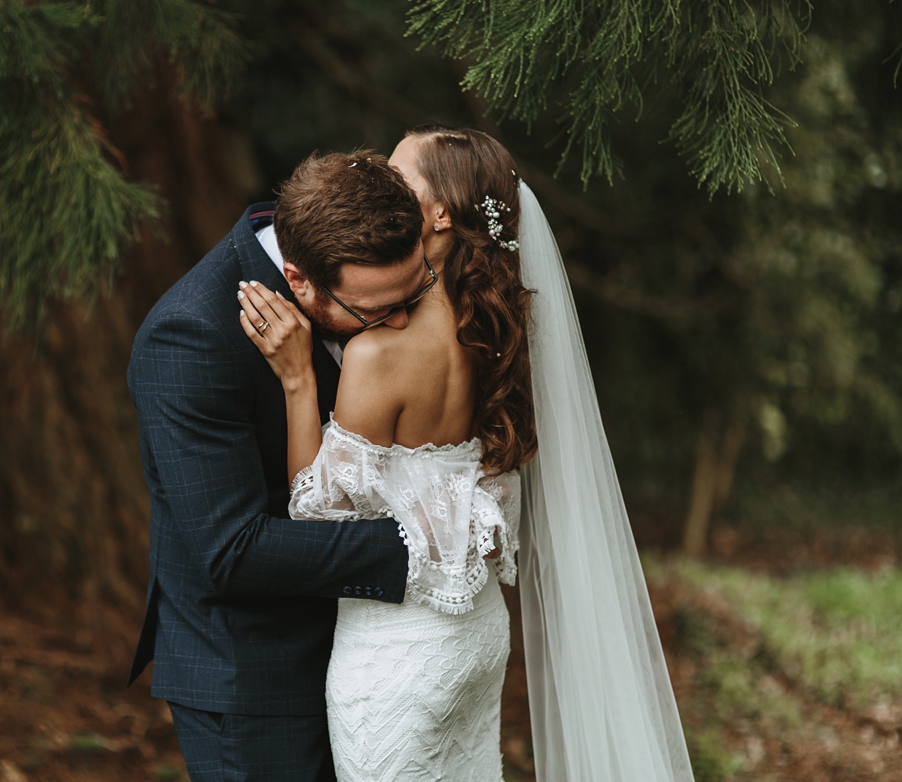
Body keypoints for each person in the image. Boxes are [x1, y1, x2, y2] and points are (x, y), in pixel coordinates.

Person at [238, 125, 696, 781]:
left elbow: (318, 511)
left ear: (439, 214)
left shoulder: (383, 351)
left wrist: (296, 380)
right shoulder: (504, 325)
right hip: (477, 635)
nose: (382, 184)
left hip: (398, 653)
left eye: (398, 175)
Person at [126, 149, 439, 782]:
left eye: (416, 291)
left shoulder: (350, 229)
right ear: (298, 281)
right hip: (256, 680)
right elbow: (232, 550)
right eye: (377, 313)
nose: (403, 323)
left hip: (373, 659)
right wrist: (426, 544)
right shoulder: (190, 339)